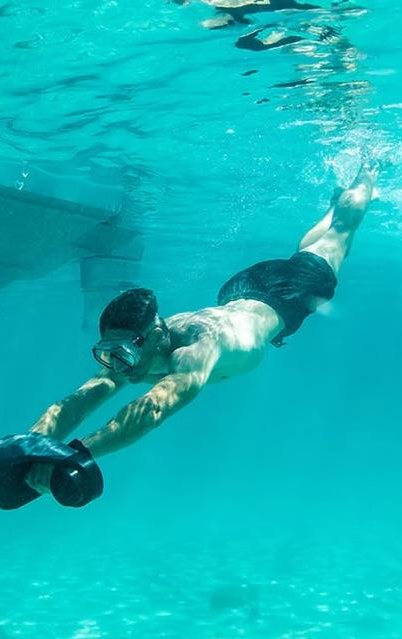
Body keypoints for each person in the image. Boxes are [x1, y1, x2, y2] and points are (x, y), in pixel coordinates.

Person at [25, 163, 378, 494]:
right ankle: (335, 205)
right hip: (239, 291)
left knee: (341, 234)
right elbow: (77, 401)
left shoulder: (197, 349)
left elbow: (153, 409)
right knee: (310, 251)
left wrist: (76, 456)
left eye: (125, 354)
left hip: (290, 295)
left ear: (155, 336)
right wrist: (28, 447)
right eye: (109, 354)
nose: (119, 364)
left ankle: (369, 169)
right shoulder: (136, 346)